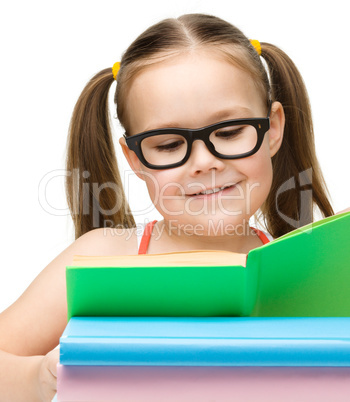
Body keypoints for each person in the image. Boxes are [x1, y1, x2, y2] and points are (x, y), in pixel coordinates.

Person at [0, 13, 335, 401]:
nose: (204, 162)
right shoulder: (101, 256)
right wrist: (36, 379)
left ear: (272, 128)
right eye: (169, 144)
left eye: (228, 133)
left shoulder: (304, 270)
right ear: (135, 158)